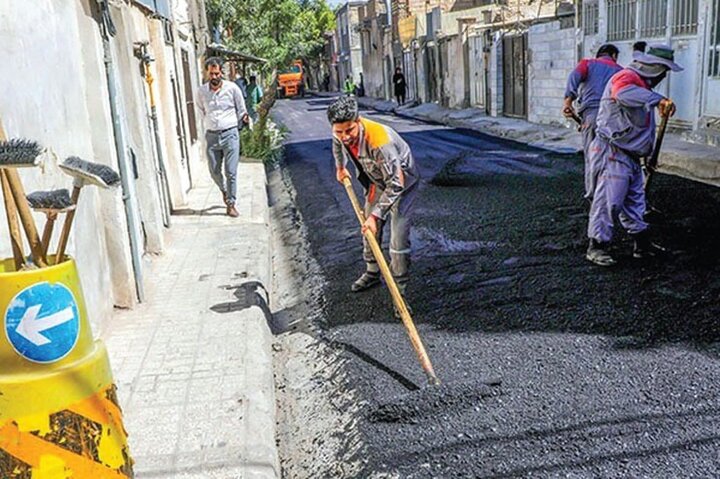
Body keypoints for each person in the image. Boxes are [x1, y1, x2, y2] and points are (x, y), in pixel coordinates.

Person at [585, 44, 682, 266]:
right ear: (656, 68)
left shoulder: (642, 87)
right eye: (664, 71)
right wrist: (658, 99)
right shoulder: (627, 78)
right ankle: (596, 246)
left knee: (635, 202)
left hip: (629, 154)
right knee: (609, 200)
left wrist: (647, 154)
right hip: (612, 151)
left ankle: (642, 245)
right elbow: (622, 94)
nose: (663, 76)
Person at [327, 96, 420, 314]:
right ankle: (371, 272)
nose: (344, 136)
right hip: (377, 182)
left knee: (397, 240)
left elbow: (396, 184)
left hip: (403, 184)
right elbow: (337, 144)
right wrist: (340, 167)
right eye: (339, 132)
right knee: (368, 230)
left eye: (349, 130)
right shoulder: (340, 133)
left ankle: (400, 293)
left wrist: (376, 216)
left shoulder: (380, 141)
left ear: (358, 121)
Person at [563, 44, 622, 200]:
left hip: (592, 116)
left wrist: (568, 102)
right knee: (611, 156)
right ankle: (612, 192)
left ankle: (593, 193)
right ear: (614, 55)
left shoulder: (587, 63)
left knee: (592, 154)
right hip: (613, 118)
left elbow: (573, 77)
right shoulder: (620, 71)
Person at [197, 57, 249, 218]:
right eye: (211, 74)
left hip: (230, 134)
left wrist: (245, 117)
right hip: (212, 136)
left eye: (216, 73)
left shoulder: (232, 89)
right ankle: (224, 190)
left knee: (231, 172)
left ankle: (231, 204)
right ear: (207, 73)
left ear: (221, 73)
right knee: (214, 170)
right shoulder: (201, 92)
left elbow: (241, 108)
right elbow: (200, 111)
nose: (214, 77)